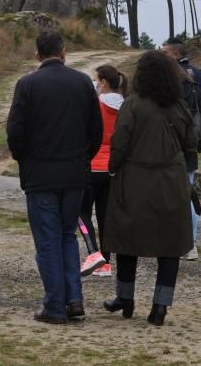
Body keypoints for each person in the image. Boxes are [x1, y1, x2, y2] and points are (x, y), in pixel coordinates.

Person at [6, 31, 103, 324]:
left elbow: (15, 132)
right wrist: (83, 158)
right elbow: (95, 131)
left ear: (37, 55)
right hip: (74, 173)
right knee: (66, 236)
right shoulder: (83, 82)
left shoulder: (27, 85)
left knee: (47, 240)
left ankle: (54, 305)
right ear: (63, 52)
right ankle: (74, 299)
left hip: (40, 175)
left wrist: (25, 159)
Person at [102, 50, 197, 327]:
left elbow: (120, 143)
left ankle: (125, 298)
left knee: (127, 240)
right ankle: (160, 307)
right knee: (170, 246)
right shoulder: (180, 106)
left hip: (135, 180)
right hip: (172, 181)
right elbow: (191, 144)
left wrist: (112, 167)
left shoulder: (133, 104)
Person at [162, 37, 201, 261]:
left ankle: (176, 240)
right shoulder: (197, 73)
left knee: (171, 193)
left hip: (171, 143)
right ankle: (191, 242)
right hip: (191, 143)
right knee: (188, 191)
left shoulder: (169, 77)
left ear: (175, 55)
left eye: (165, 53)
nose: (162, 56)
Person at [79, 64, 127, 278]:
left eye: (97, 80)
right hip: (113, 166)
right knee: (106, 215)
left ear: (104, 83)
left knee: (83, 213)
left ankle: (94, 254)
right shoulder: (126, 106)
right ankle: (106, 263)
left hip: (93, 164)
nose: (95, 84)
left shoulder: (96, 105)